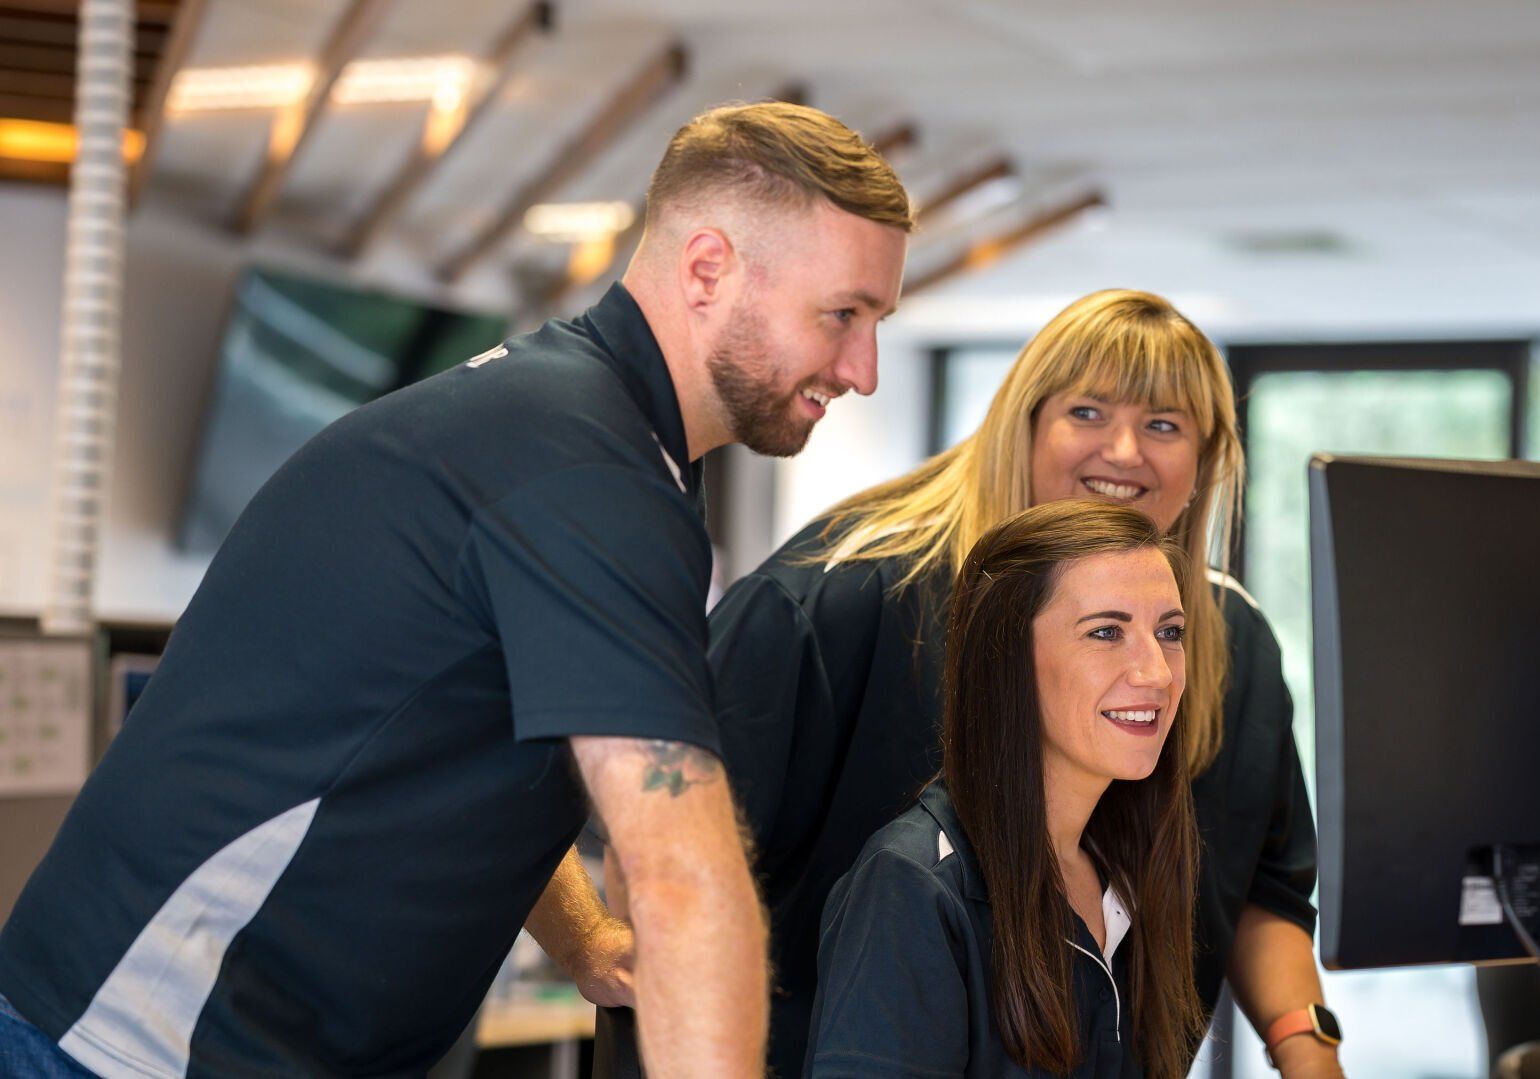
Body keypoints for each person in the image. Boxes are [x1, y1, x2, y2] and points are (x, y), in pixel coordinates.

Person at [0, 101, 910, 1078]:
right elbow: (685, 876)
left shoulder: (573, 434)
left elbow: (456, 743)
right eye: (842, 315)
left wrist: (585, 937)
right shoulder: (587, 477)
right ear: (706, 269)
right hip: (136, 1048)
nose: (862, 369)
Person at [577, 288, 1343, 1077]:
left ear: (1207, 459)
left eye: (1163, 425)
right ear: (1026, 421)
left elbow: (1257, 887)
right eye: (1087, 411)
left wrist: (1310, 1055)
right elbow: (659, 853)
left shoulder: (1227, 639)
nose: (1123, 451)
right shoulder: (843, 596)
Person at [809, 500, 1203, 1077]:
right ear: (1007, 658)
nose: (1158, 673)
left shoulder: (1126, 867)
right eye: (1106, 632)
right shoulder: (911, 886)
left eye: (1169, 631)